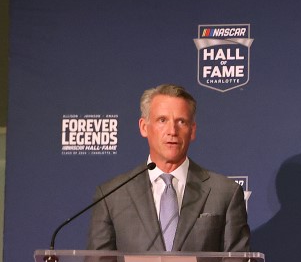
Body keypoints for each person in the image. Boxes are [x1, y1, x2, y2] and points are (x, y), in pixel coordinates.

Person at [87, 83, 251, 252]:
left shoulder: (225, 193)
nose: (172, 130)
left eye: (181, 121)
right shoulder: (111, 195)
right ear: (144, 127)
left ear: (192, 130)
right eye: (162, 120)